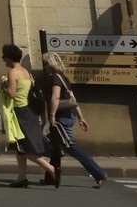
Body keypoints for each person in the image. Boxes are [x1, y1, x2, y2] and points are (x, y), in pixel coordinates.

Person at [41, 53, 108, 189]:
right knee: (56, 147)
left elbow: (56, 97)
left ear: (51, 64)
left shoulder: (55, 78)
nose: (44, 67)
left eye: (45, 64)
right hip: (68, 116)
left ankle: (99, 174)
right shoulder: (64, 78)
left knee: (72, 147)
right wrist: (80, 117)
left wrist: (52, 115)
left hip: (61, 118)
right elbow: (73, 99)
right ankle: (51, 177)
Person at [0, 44, 58, 188]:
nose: (3, 60)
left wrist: (3, 84)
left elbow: (11, 94)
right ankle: (22, 177)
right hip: (29, 110)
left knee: (22, 148)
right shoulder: (26, 71)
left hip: (20, 112)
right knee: (22, 147)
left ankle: (51, 169)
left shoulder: (12, 73)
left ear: (9, 58)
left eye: (4, 57)